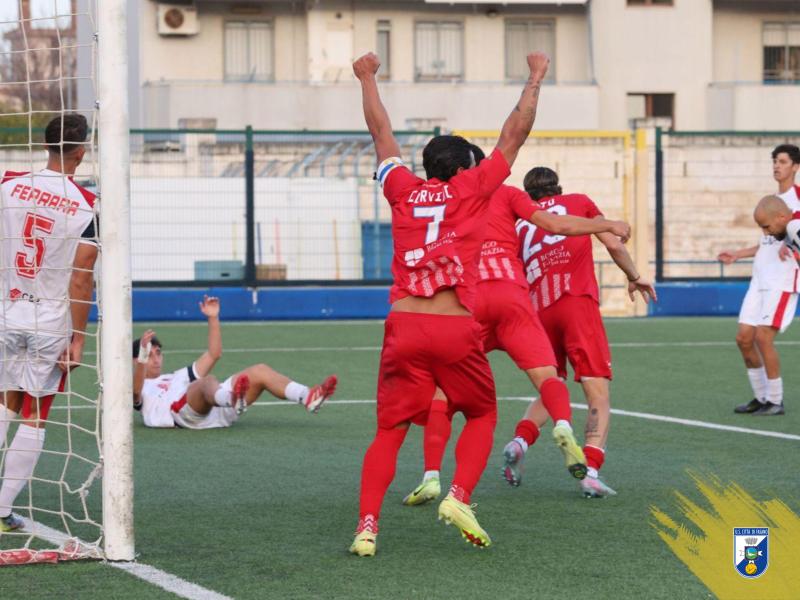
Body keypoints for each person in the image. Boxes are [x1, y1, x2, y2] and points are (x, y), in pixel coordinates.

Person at [349, 50, 549, 556]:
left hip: (402, 325)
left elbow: (380, 133)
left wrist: (367, 78)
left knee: (389, 430)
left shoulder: (401, 188)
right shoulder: (473, 187)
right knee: (481, 414)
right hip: (454, 326)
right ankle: (459, 496)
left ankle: (367, 529)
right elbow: (515, 133)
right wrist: (534, 77)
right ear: (462, 167)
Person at [402, 147, 632, 507]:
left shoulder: (445, 201)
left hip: (482, 302)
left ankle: (437, 473)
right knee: (573, 386)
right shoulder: (520, 198)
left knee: (443, 390)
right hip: (538, 300)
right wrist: (620, 246)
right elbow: (565, 228)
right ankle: (582, 458)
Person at [502, 167, 656, 498]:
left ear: (528, 195)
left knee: (551, 386)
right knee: (597, 391)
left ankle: (519, 442)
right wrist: (634, 276)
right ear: (558, 186)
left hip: (538, 308)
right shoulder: (579, 202)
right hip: (576, 300)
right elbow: (613, 244)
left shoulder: (521, 223)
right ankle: (592, 473)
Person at [0, 114, 98, 531]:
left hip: (6, 310)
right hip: (49, 320)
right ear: (82, 151)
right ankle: (2, 510)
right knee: (35, 413)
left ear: (44, 145)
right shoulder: (88, 204)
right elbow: (81, 276)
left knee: (3, 402)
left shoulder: (8, 184)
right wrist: (79, 337)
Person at [133, 296, 337, 429]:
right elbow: (135, 393)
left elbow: (214, 354)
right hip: (185, 416)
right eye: (149, 355)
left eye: (158, 353)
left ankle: (307, 396)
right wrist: (142, 355)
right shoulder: (140, 387)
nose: (156, 359)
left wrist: (213, 318)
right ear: (136, 359)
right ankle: (232, 398)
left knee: (259, 370)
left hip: (217, 406)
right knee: (205, 382)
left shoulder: (177, 376)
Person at [718, 144, 800, 416]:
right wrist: (738, 254)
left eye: (783, 161)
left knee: (763, 337)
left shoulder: (796, 201)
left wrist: (791, 244)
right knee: (744, 338)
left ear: (796, 166)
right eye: (775, 161)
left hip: (782, 280)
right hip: (759, 278)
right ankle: (761, 396)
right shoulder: (772, 202)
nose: (777, 166)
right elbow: (766, 243)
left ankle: (775, 401)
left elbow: (794, 237)